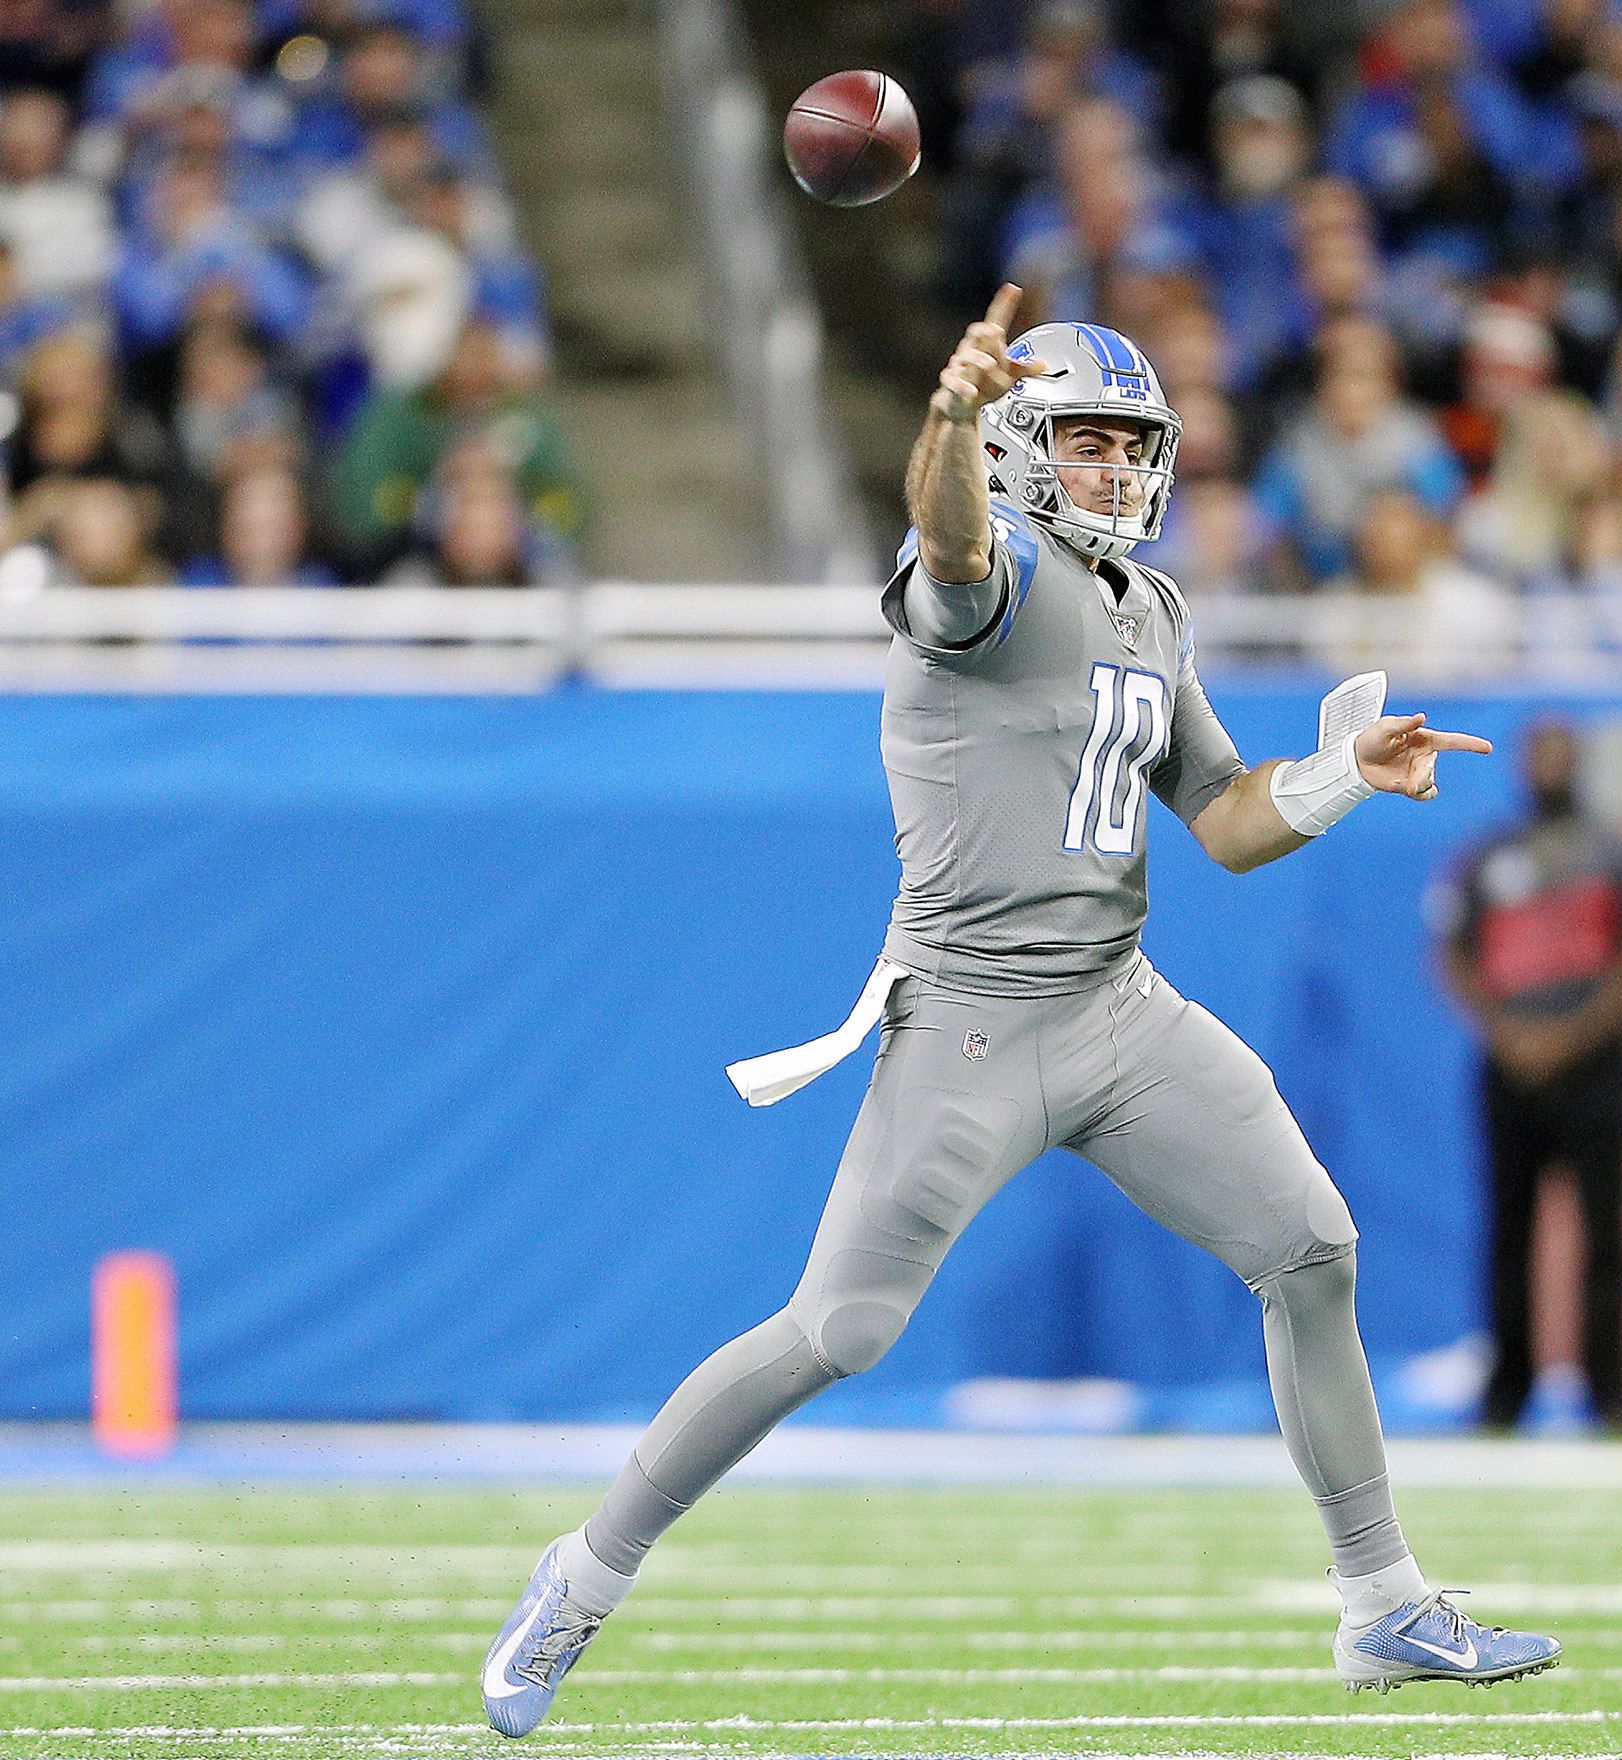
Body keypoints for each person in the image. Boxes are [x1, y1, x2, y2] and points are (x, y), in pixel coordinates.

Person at [479, 287, 1559, 1739]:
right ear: (1013, 448)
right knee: (837, 1333)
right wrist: (945, 418)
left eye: (1135, 445)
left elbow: (1227, 826)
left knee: (1312, 1250)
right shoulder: (983, 579)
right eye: (1089, 443)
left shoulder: (1149, 606)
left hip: (1119, 1009)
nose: (1120, 471)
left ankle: (1383, 1605)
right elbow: (950, 539)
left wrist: (1345, 770)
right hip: (972, 1024)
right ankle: (585, 1571)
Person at [1432, 719, 1622, 1432]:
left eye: (1563, 754)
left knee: (1606, 1235)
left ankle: (1609, 1391)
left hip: (1597, 1070)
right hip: (1510, 1071)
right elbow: (1452, 952)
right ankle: (1508, 1389)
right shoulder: (1486, 857)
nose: (1552, 767)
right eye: (1541, 754)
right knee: (1510, 1232)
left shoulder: (1618, 855)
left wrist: (1571, 1035)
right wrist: (1509, 1033)